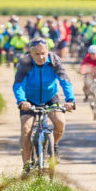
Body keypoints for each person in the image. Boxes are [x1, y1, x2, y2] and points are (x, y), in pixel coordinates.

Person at [13, 37, 76, 170]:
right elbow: (18, 85)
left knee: (60, 122)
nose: (41, 57)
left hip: (50, 97)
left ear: (48, 51)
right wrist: (22, 100)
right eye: (37, 54)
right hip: (29, 100)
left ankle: (54, 145)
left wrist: (70, 100)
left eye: (43, 53)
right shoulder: (25, 62)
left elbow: (65, 81)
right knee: (26, 129)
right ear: (31, 53)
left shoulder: (54, 61)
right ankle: (26, 166)